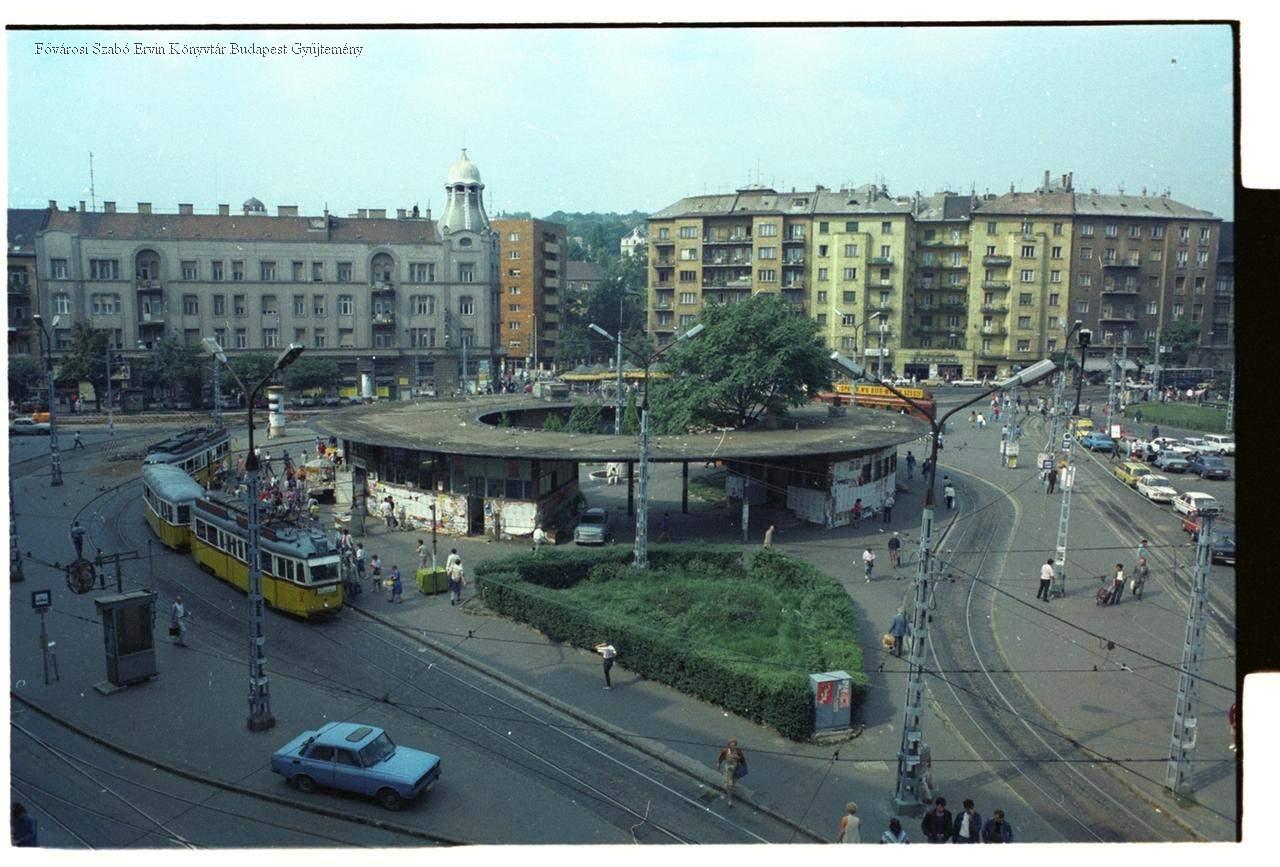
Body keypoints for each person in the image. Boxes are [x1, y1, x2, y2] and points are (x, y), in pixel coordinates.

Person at [715, 738, 746, 807]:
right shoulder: (725, 751)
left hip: (735, 770)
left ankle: (730, 791)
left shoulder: (738, 751)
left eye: (734, 746)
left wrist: (738, 758)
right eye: (731, 746)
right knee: (728, 786)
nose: (732, 747)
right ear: (728, 746)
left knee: (733, 784)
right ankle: (729, 800)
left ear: (736, 746)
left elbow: (742, 760)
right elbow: (721, 757)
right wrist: (718, 763)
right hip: (728, 770)